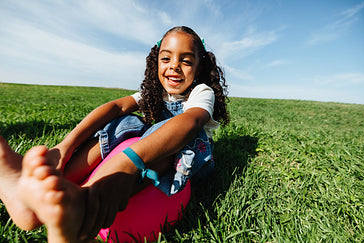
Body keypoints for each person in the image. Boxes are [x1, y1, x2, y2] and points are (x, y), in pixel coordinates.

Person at [0, 26, 229, 242]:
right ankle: (43, 192)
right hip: (141, 153)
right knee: (125, 122)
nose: (174, 66)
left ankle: (85, 206)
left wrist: (129, 161)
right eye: (166, 58)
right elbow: (116, 107)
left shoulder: (201, 92)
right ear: (156, 61)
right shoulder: (155, 92)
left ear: (199, 68)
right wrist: (65, 146)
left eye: (186, 61)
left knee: (171, 136)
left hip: (181, 164)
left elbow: (191, 121)